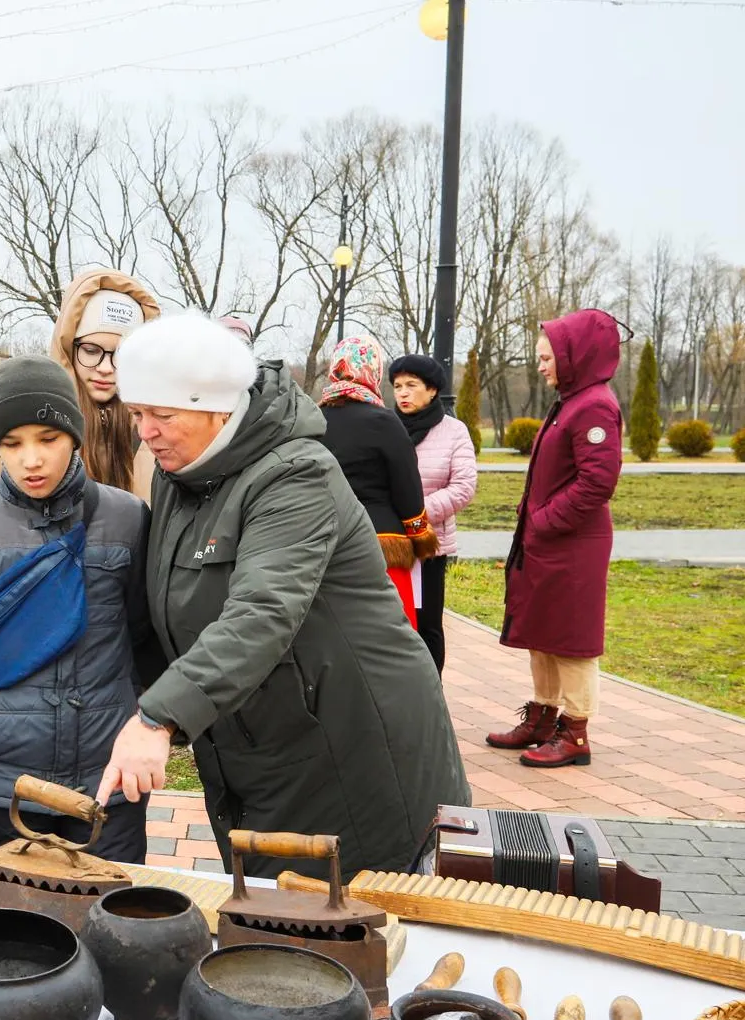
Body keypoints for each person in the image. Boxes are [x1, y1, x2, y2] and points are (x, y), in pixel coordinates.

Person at [95, 313, 469, 882]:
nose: (145, 431)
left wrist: (159, 718)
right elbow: (165, 601)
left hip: (350, 745)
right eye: (137, 414)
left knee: (355, 933)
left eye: (162, 415)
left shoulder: (296, 475)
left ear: (218, 406)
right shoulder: (180, 475)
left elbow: (263, 611)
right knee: (277, 925)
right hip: (265, 747)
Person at [0, 355, 158, 862]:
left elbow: (146, 640)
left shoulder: (128, 518)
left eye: (47, 439)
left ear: (74, 435)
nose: (31, 460)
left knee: (114, 923)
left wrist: (147, 723)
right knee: (9, 930)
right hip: (2, 786)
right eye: (12, 443)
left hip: (106, 778)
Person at [487, 309, 623, 769]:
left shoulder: (595, 406)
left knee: (571, 641)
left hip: (572, 544)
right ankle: (543, 718)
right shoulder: (571, 400)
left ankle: (576, 733)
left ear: (573, 355)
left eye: (547, 357)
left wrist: (543, 521)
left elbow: (597, 482)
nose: (541, 365)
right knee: (543, 632)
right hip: (550, 543)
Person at [0, 269, 161, 505]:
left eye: (121, 355)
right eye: (91, 351)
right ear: (69, 347)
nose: (105, 367)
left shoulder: (156, 429)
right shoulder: (23, 417)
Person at [317, 335, 439, 629]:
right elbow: (407, 489)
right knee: (388, 634)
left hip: (323, 541)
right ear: (374, 371)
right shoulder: (384, 421)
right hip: (382, 545)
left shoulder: (314, 419)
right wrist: (421, 536)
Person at [391, 353, 478, 671]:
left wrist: (415, 513)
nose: (402, 392)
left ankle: (430, 703)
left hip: (429, 546)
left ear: (431, 390)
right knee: (392, 625)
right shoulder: (386, 428)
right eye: (398, 385)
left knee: (427, 627)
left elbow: (464, 487)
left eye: (411, 385)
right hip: (389, 543)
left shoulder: (454, 431)